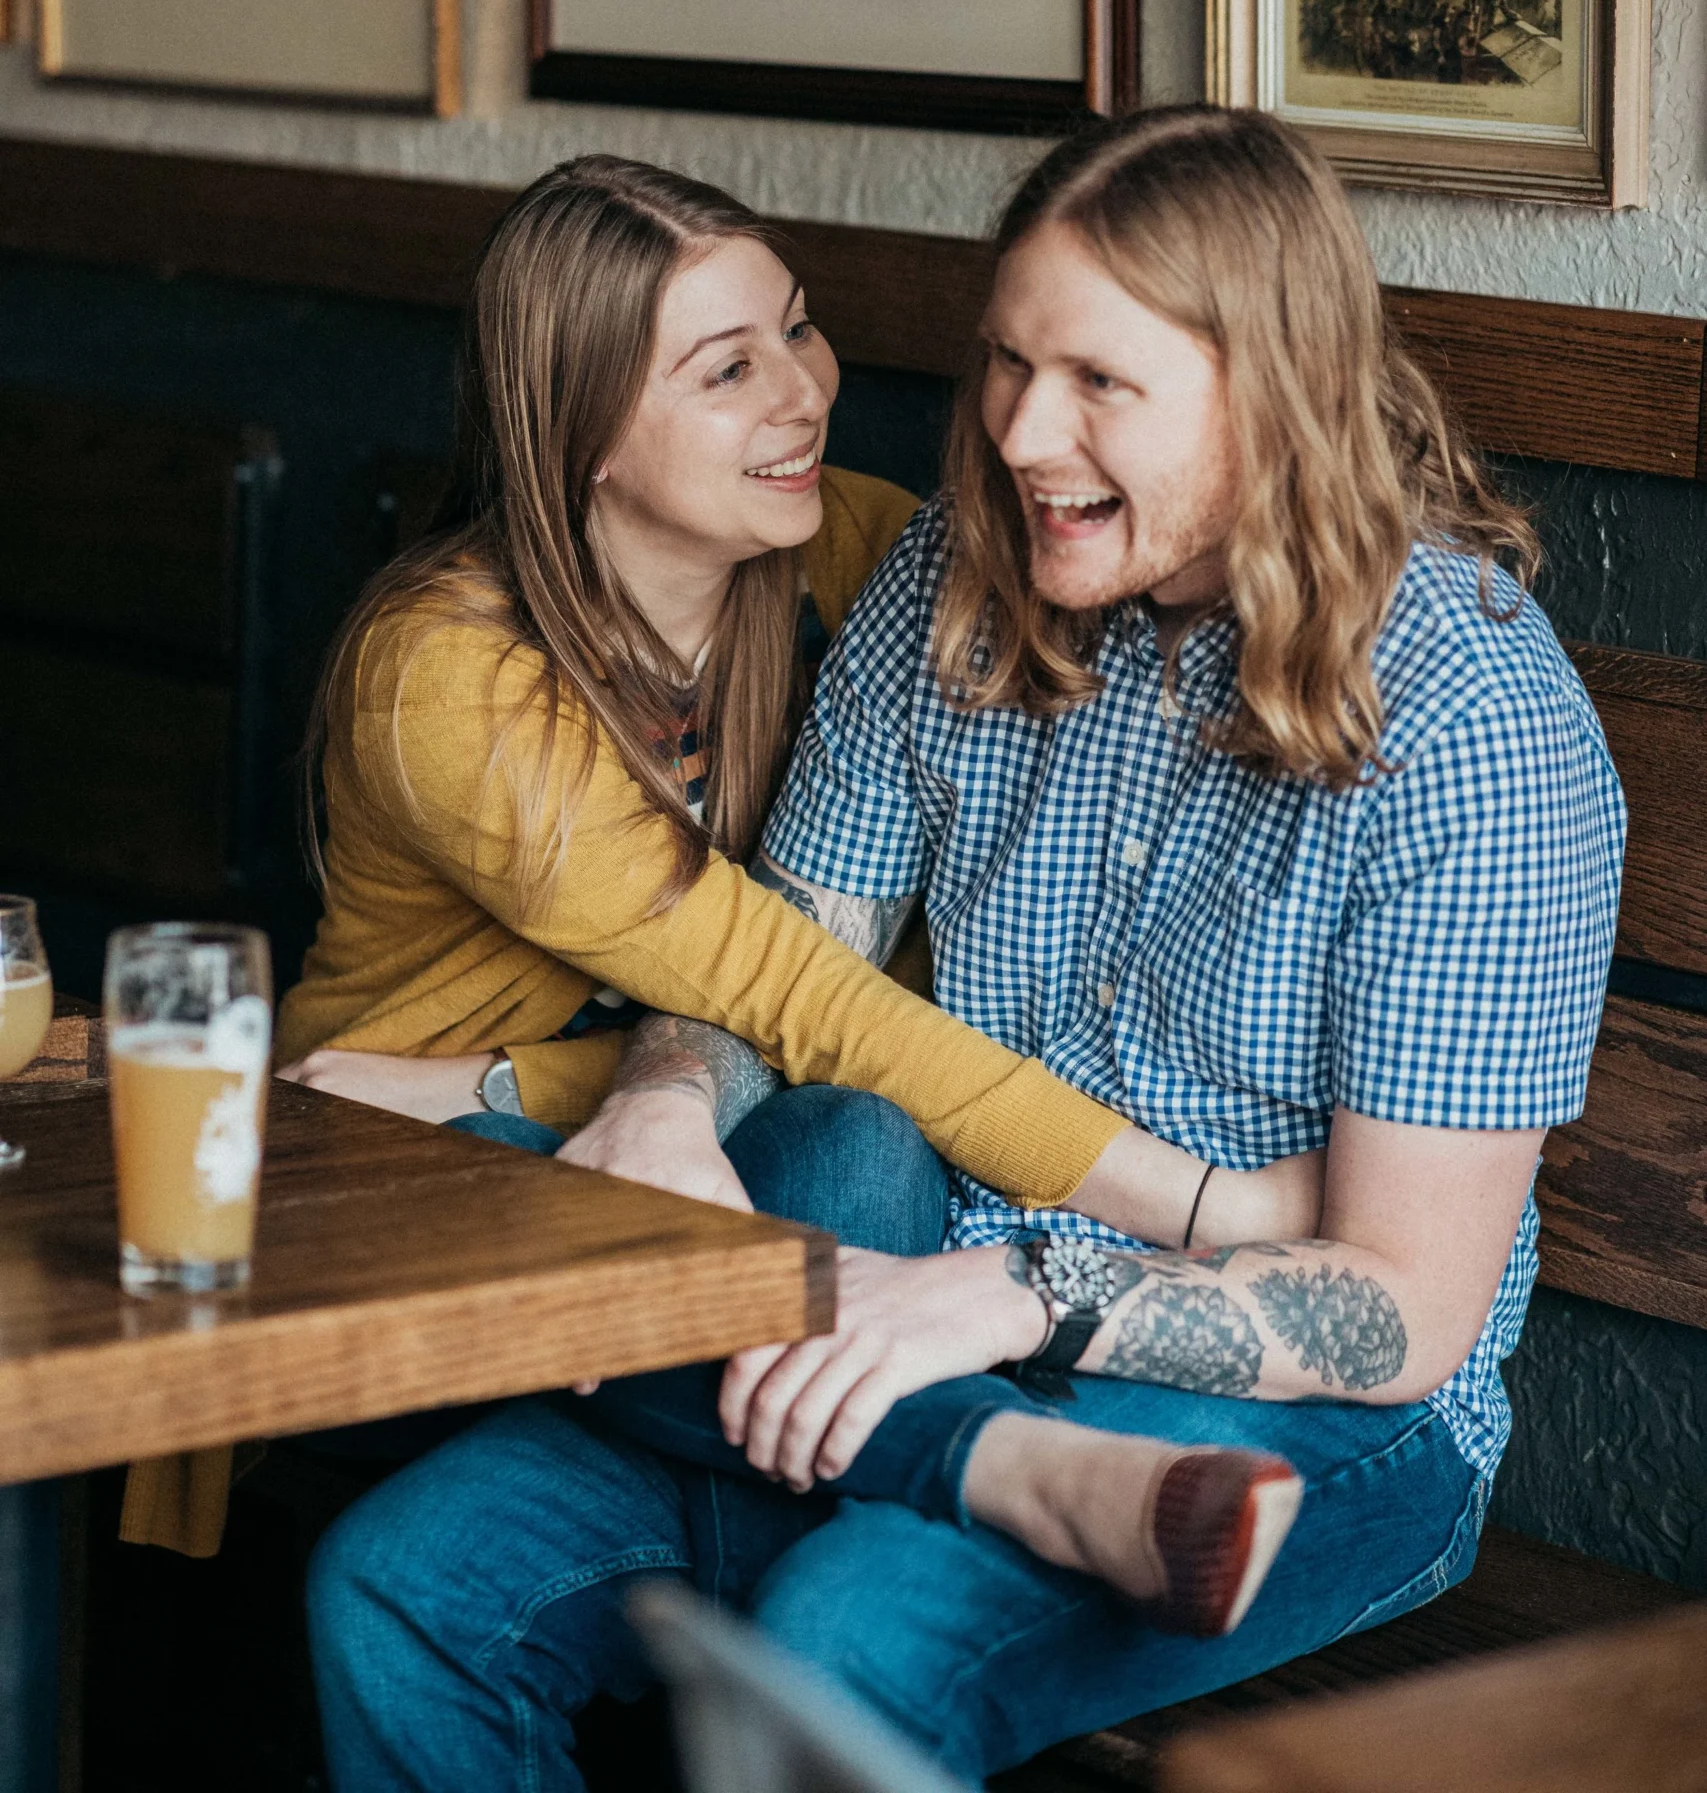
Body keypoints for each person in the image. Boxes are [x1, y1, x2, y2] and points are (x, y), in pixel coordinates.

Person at [307, 110, 1625, 1789]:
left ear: (1271, 389)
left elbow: (1405, 1315)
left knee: (839, 1635)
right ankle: (973, 1453)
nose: (1015, 430)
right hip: (904, 1279)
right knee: (404, 1589)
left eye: (1095, 383)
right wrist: (664, 1094)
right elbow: (786, 961)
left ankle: (974, 1460)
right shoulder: (958, 572)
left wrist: (1007, 1295)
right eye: (1006, 361)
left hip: (1303, 1415)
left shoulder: (1469, 725)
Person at [123, 152, 1319, 1564]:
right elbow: (801, 992)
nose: (802, 390)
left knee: (858, 1144)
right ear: (582, 435)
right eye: (727, 370)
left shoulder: (864, 555)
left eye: (797, 328)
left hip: (691, 1163)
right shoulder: (447, 677)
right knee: (632, 1178)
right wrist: (1206, 1208)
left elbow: (903, 969)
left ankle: (741, 1551)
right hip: (402, 1191)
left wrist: (558, 1084)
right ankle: (999, 1471)